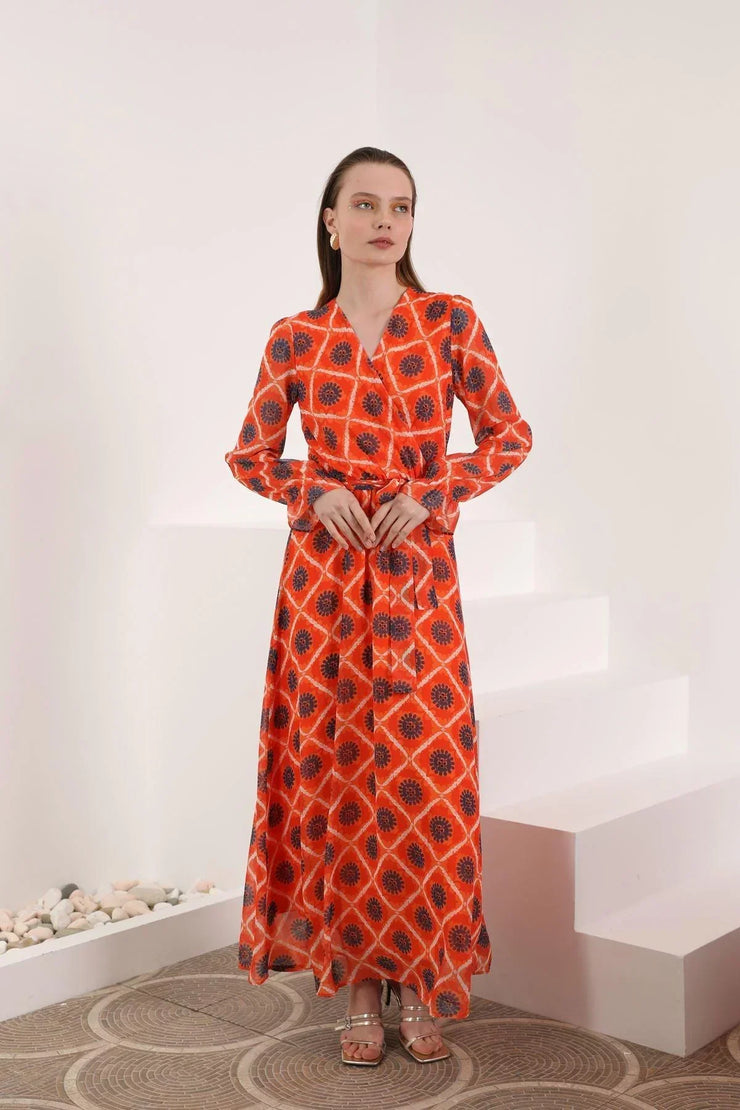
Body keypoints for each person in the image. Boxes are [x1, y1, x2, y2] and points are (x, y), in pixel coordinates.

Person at [224, 146, 533, 1067]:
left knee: (425, 774)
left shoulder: (449, 321)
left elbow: (510, 435)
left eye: (399, 206)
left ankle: (426, 978)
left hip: (417, 584)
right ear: (330, 220)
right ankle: (359, 987)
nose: (383, 220)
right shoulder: (294, 337)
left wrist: (435, 491)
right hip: (323, 586)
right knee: (340, 776)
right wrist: (309, 489)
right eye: (363, 204)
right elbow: (249, 455)